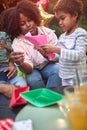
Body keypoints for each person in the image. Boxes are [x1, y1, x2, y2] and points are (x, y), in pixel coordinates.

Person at [0, 0, 62, 89]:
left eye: (30, 20)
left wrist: (47, 54)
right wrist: (21, 63)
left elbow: (57, 57)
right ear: (17, 27)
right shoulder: (18, 43)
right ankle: (41, 99)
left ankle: (51, 96)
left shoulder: (47, 33)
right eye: (22, 24)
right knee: (33, 78)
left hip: (47, 65)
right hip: (32, 70)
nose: (28, 25)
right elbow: (28, 69)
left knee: (58, 69)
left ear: (35, 18)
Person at [41, 0, 87, 86]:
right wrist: (48, 54)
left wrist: (57, 49)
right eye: (59, 20)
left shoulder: (81, 33)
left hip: (78, 79)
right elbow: (60, 57)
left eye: (63, 18)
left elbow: (79, 55)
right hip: (65, 77)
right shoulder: (62, 36)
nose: (60, 23)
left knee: (78, 99)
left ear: (74, 15)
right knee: (68, 98)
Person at [0, 23, 27, 98]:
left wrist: (11, 64)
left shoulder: (4, 35)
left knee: (21, 81)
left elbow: (12, 51)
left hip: (5, 67)